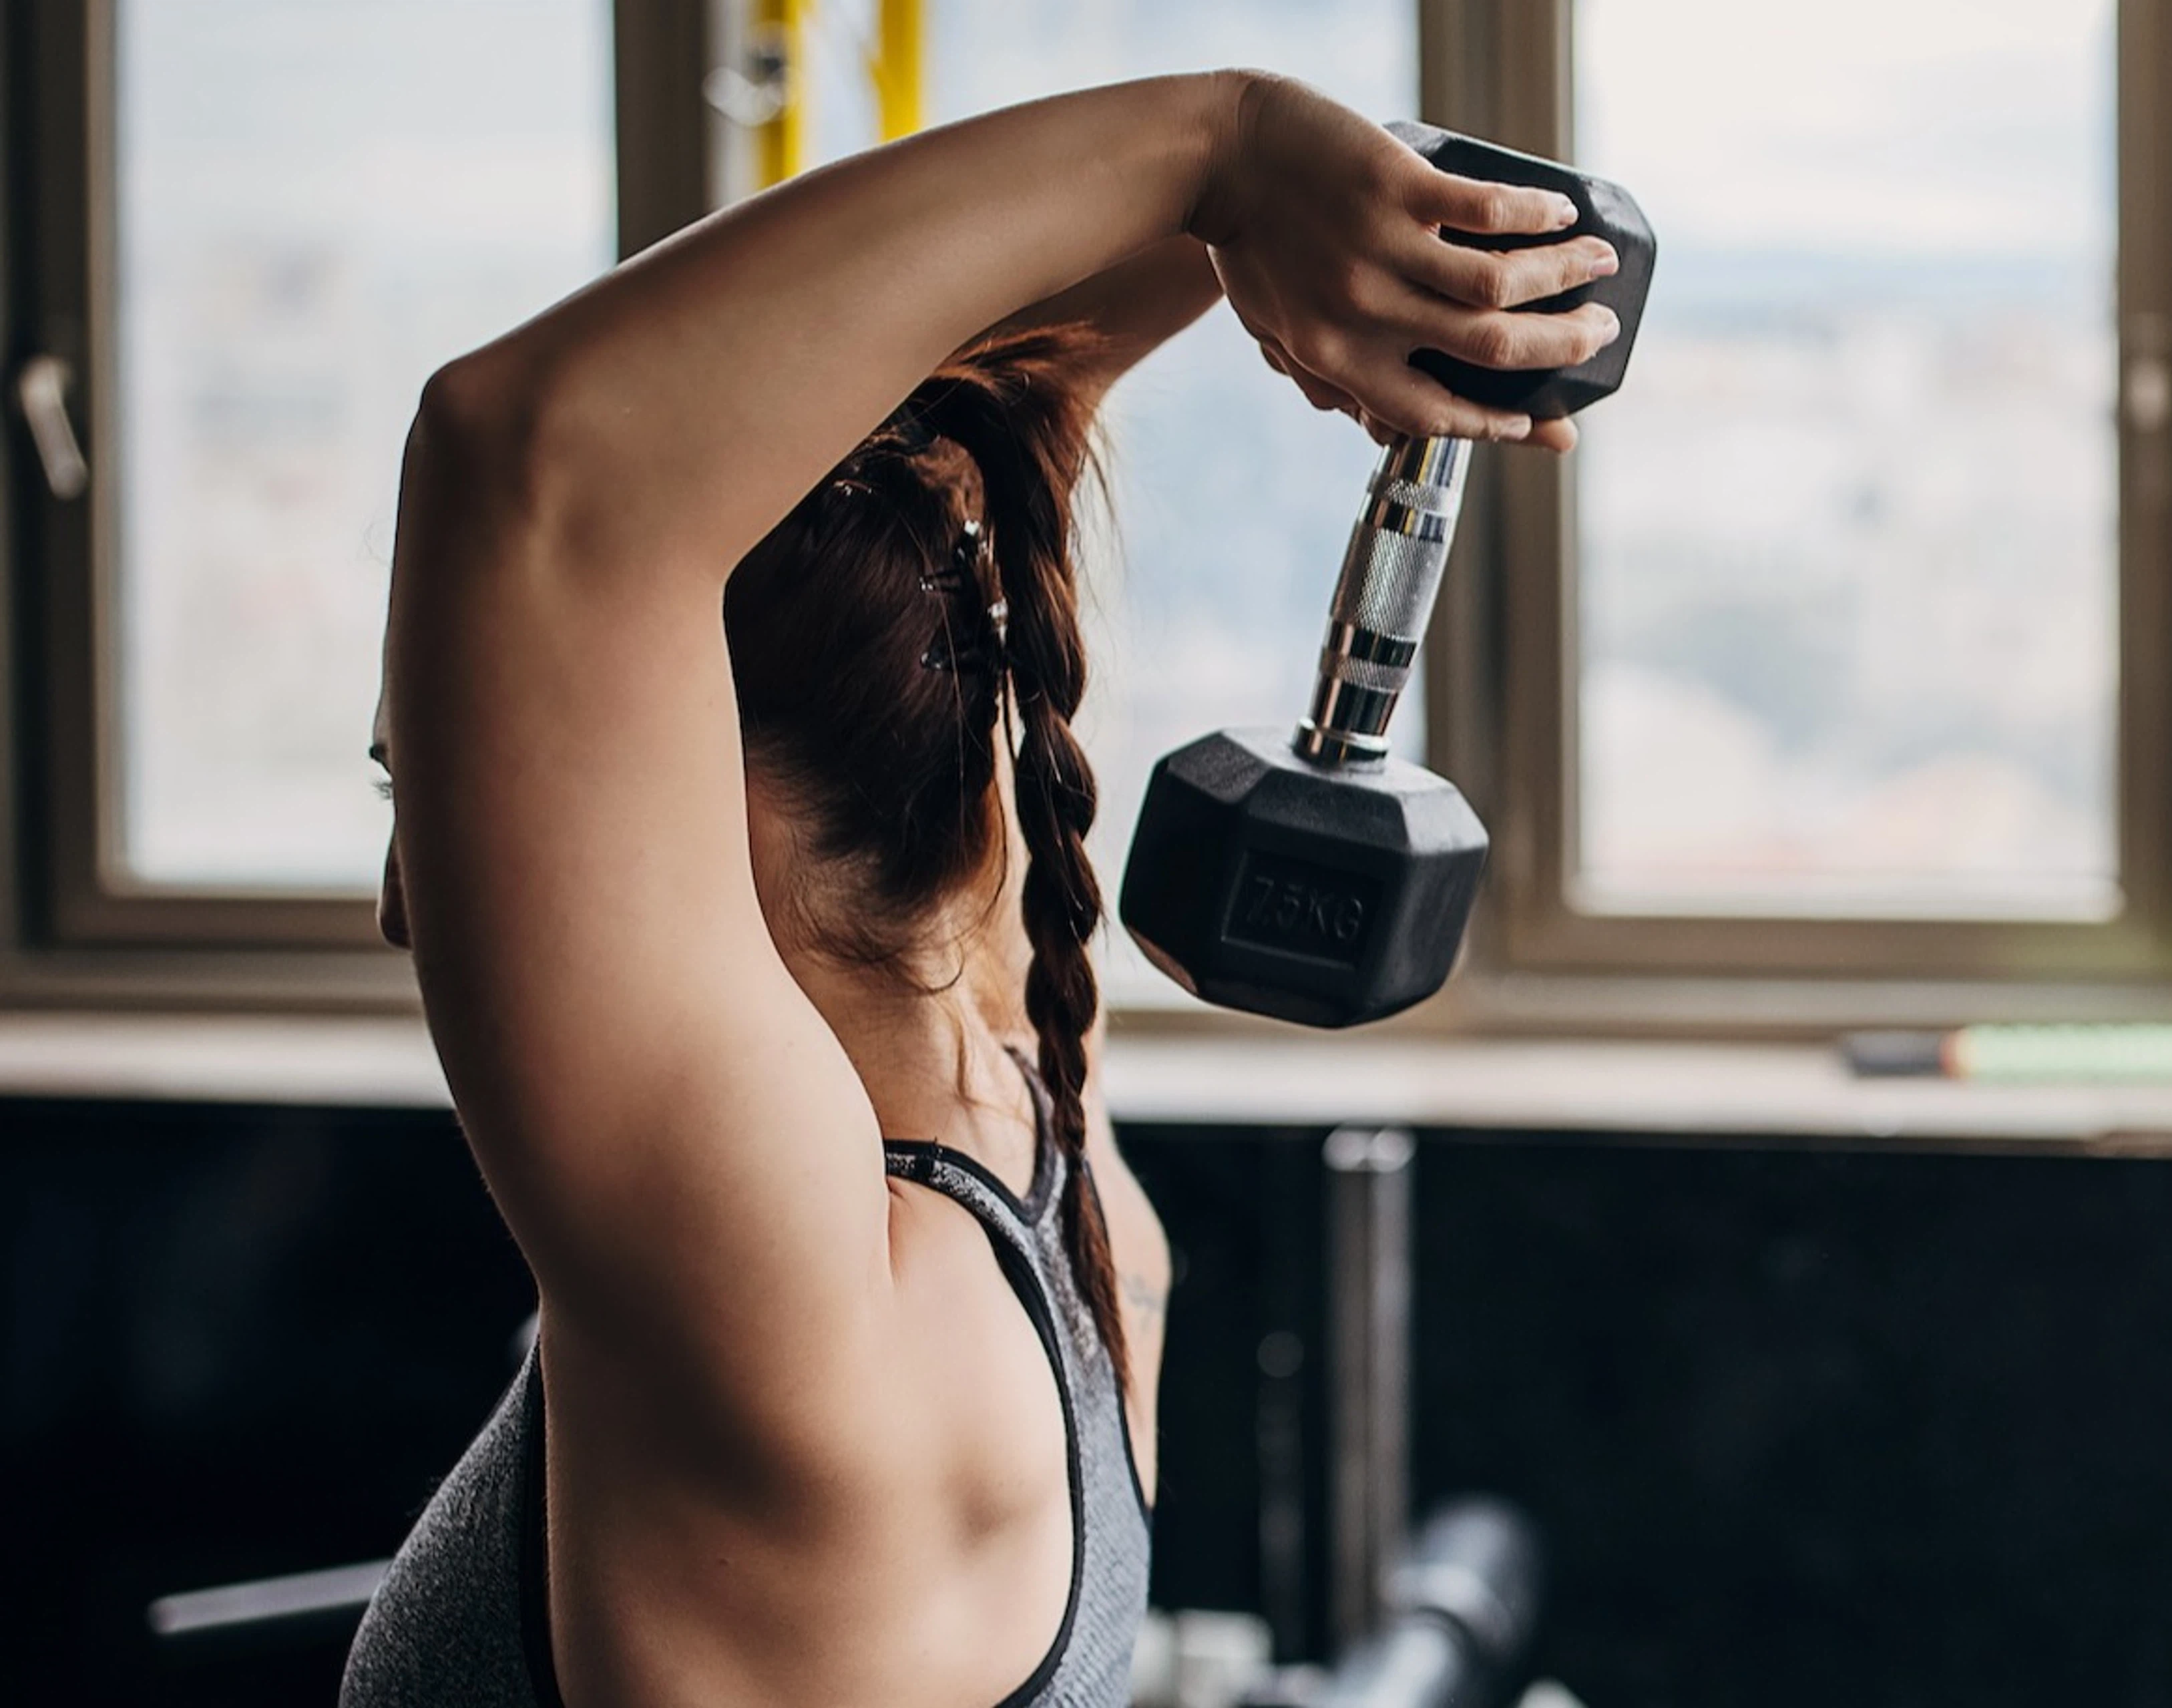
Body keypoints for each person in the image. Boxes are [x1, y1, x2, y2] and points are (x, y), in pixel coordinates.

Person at [343, 69, 1621, 1708]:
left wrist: (1226, 149)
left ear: (704, 781)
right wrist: (1316, 225)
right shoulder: (1041, 1144)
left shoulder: (796, 1318)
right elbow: (1010, 389)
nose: (416, 897)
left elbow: (530, 456)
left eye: (439, 796)